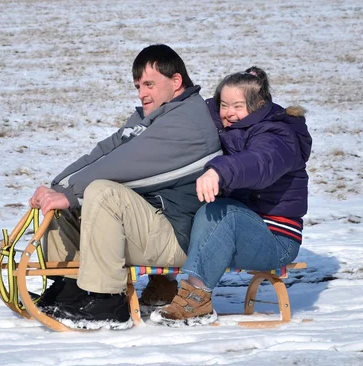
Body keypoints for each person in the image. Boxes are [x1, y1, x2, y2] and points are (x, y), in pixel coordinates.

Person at [28, 44, 222, 329]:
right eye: (138, 86)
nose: (142, 93)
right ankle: (69, 287)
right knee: (72, 200)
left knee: (100, 192)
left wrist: (70, 193)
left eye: (149, 84)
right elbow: (104, 151)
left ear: (176, 81)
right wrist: (59, 185)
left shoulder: (186, 123)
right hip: (150, 227)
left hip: (178, 238)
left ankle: (107, 301)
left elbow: (126, 163)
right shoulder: (153, 116)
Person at [150, 67, 312, 326]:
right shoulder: (222, 128)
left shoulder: (279, 135)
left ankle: (196, 298)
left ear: (259, 105)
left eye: (238, 105)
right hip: (243, 227)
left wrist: (219, 171)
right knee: (177, 200)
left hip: (275, 238)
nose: (229, 113)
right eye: (224, 105)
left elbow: (260, 162)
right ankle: (163, 282)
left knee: (219, 213)